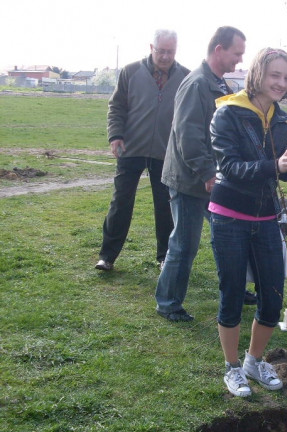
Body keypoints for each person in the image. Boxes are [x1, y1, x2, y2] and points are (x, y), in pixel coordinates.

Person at [208, 48, 287, 397]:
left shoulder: (283, 120)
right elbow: (233, 169)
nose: (281, 83)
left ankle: (254, 361)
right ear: (258, 74)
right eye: (274, 75)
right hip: (229, 218)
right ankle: (232, 367)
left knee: (272, 296)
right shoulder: (228, 114)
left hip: (267, 217)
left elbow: (281, 177)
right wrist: (276, 165)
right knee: (233, 293)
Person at [155, 26, 246, 322]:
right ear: (219, 50)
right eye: (237, 53)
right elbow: (188, 135)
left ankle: (235, 289)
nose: (239, 60)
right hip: (190, 180)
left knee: (227, 237)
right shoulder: (197, 84)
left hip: (211, 179)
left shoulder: (219, 85)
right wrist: (208, 172)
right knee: (184, 243)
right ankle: (168, 303)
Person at [95, 29, 190, 271]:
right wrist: (115, 136)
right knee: (121, 202)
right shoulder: (131, 72)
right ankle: (107, 257)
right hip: (131, 148)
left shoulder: (185, 77)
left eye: (170, 52)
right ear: (151, 47)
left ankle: (165, 258)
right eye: (161, 51)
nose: (165, 56)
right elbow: (116, 107)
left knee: (166, 206)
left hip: (166, 153)